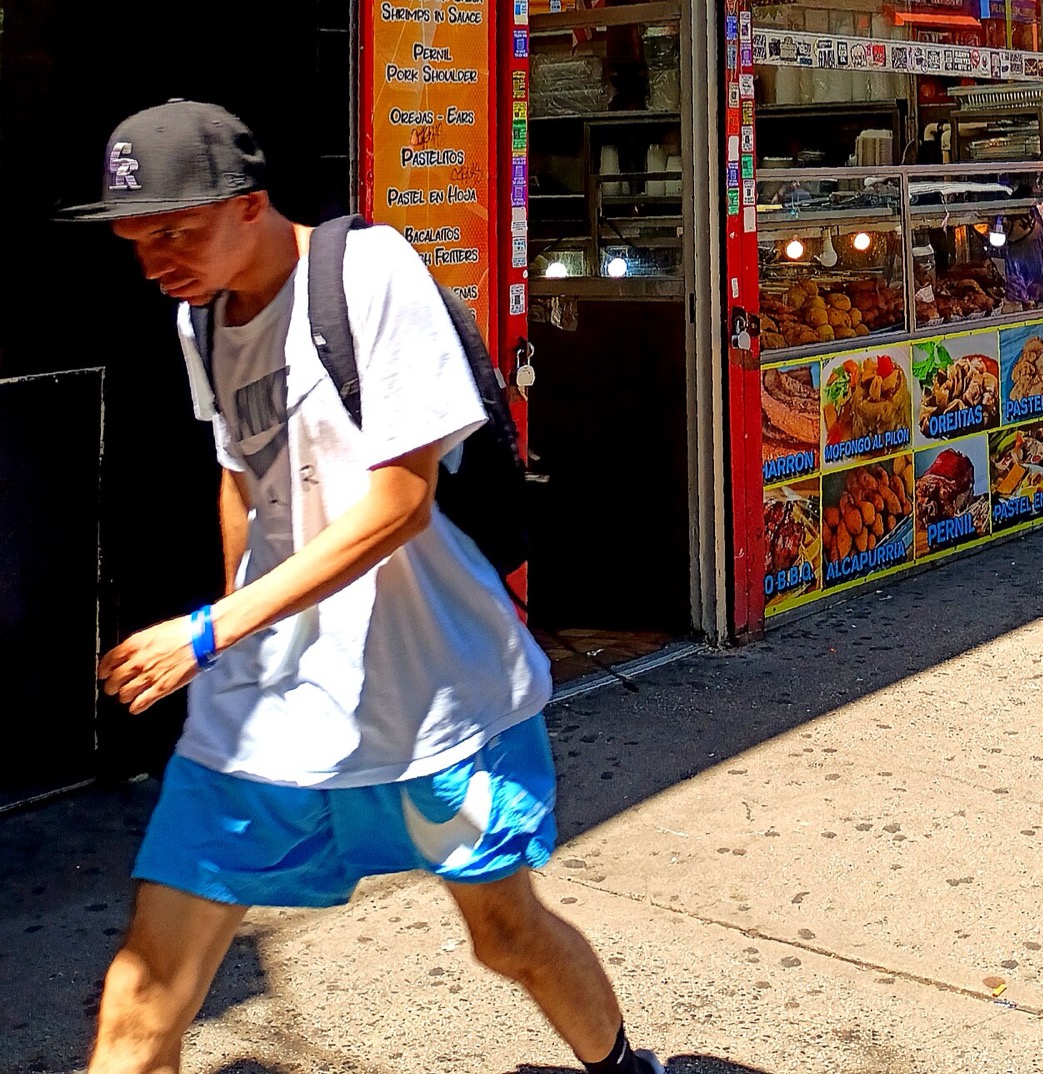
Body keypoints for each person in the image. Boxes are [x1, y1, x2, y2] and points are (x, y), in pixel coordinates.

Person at [64, 99, 662, 1074]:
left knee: (504, 932)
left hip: (433, 698)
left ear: (250, 203)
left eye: (178, 228)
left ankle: (622, 1066)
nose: (156, 255)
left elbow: (401, 503)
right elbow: (239, 472)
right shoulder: (199, 317)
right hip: (262, 715)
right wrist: (237, 644)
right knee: (144, 992)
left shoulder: (370, 271)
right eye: (139, 235)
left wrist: (212, 628)